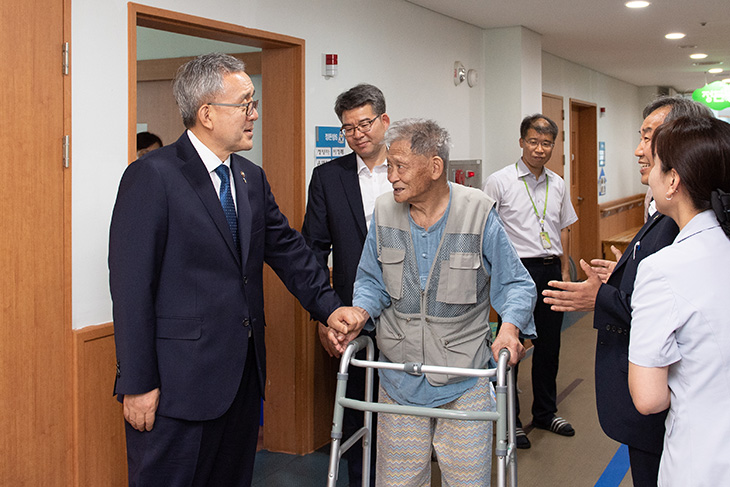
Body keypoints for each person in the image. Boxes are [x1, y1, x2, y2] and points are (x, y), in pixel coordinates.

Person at [109, 53, 355, 487]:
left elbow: (289, 251)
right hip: (175, 386)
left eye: (253, 103)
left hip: (241, 379)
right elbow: (131, 288)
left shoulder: (249, 178)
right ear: (206, 113)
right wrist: (138, 382)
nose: (254, 114)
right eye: (245, 104)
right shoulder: (152, 176)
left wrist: (329, 309)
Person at [331, 119, 536, 485]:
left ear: (435, 167)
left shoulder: (478, 213)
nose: (391, 175)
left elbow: (516, 284)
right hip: (398, 380)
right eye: (389, 166)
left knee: (467, 481)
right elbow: (371, 280)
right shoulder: (383, 212)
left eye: (400, 166)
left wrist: (508, 328)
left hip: (464, 378)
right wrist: (360, 312)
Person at [542, 96, 712, 486]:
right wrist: (624, 269)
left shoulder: (684, 219)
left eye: (648, 137)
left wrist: (597, 297)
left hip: (660, 401)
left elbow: (666, 306)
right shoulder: (663, 206)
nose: (638, 149)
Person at [628, 115, 730, 486]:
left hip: (700, 459)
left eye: (654, 162)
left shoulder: (663, 269)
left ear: (672, 180)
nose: (647, 169)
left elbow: (648, 398)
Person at [301, 83, 390, 486]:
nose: (358, 133)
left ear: (384, 122)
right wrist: (324, 314)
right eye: (348, 127)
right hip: (353, 317)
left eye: (365, 123)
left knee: (406, 414)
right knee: (358, 414)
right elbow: (313, 251)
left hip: (413, 314)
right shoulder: (327, 178)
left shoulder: (412, 169)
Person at [482, 114, 577, 448]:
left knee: (550, 344)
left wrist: (565, 271)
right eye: (534, 142)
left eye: (547, 143)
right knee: (511, 345)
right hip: (515, 272)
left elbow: (562, 229)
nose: (540, 149)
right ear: (521, 142)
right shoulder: (500, 181)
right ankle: (511, 420)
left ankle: (546, 412)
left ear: (553, 145)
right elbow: (486, 231)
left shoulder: (558, 183)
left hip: (551, 269)